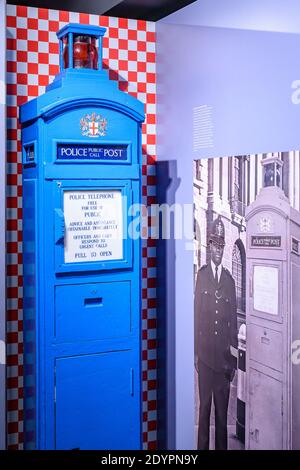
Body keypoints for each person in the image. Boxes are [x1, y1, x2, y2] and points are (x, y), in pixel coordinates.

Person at [194, 215, 238, 450]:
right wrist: (195, 354)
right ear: (209, 247)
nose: (218, 249)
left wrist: (232, 362)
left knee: (222, 419)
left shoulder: (230, 282)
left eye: (221, 245)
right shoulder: (201, 276)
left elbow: (232, 322)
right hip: (205, 360)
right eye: (214, 244)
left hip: (222, 364)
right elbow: (196, 315)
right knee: (204, 413)